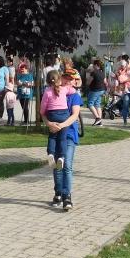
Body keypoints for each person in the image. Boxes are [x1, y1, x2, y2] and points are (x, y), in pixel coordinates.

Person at [43, 69, 81, 211]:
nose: (68, 81)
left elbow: (75, 115)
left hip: (69, 134)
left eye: (71, 79)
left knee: (67, 165)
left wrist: (61, 125)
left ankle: (67, 196)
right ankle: (58, 192)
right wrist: (49, 124)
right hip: (55, 130)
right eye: (66, 78)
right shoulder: (51, 91)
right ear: (60, 78)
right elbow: (44, 113)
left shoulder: (74, 96)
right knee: (57, 165)